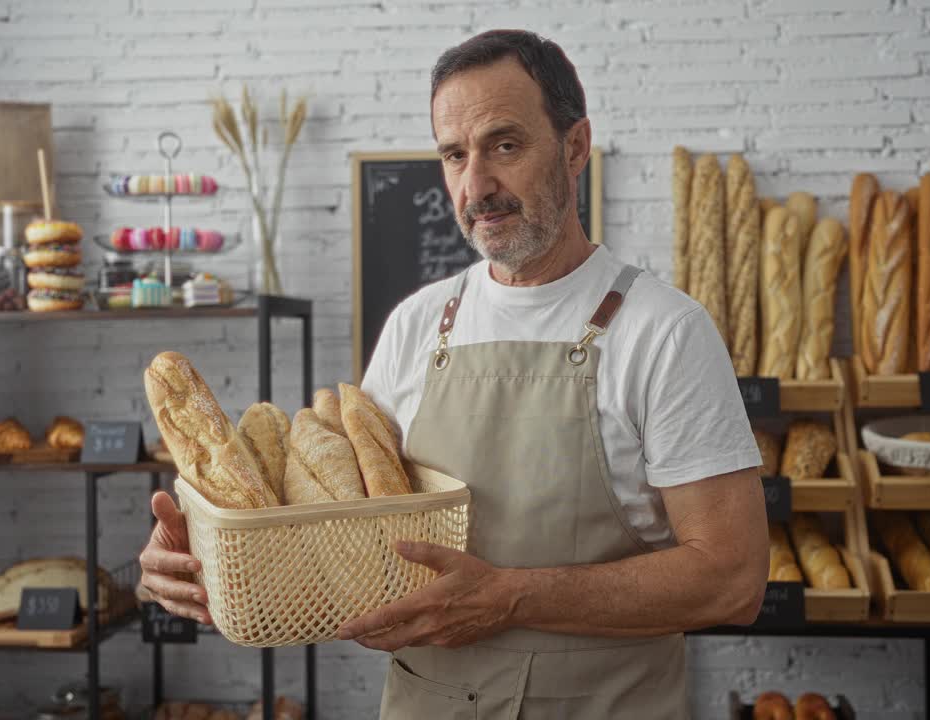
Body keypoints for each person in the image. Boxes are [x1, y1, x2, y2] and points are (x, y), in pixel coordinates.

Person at [140, 29, 768, 719]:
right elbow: (344, 539)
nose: (477, 186)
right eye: (454, 154)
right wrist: (209, 560)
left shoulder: (664, 333)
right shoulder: (417, 325)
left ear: (575, 146)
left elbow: (732, 579)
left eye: (505, 145)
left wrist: (511, 596)